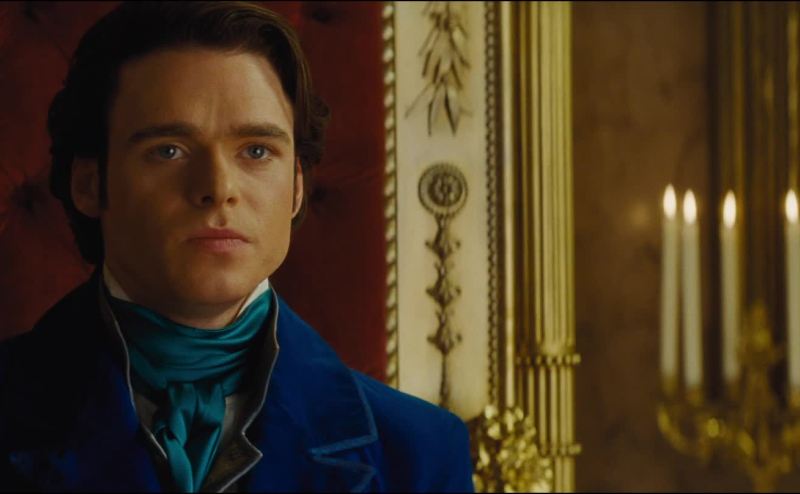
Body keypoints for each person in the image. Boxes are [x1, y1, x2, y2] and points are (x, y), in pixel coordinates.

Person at [0, 2, 474, 492]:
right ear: (89, 184)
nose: (218, 187)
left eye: (256, 151)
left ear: (296, 187)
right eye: (168, 150)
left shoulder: (420, 452)